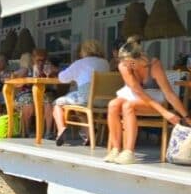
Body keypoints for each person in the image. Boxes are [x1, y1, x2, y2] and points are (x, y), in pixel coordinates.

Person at [105, 36, 191, 164]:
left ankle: (129, 152)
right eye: (125, 63)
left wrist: (185, 116)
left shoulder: (154, 65)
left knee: (127, 106)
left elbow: (169, 93)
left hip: (155, 96)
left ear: (140, 57)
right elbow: (138, 92)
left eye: (131, 63)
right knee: (112, 105)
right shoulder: (123, 66)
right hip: (136, 95)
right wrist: (164, 113)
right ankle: (116, 149)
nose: (128, 66)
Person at [52, 40, 111, 146]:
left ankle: (61, 129)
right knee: (80, 109)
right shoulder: (105, 63)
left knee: (57, 103)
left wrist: (63, 71)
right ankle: (89, 133)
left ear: (84, 51)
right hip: (104, 101)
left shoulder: (80, 63)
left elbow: (62, 78)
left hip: (86, 98)